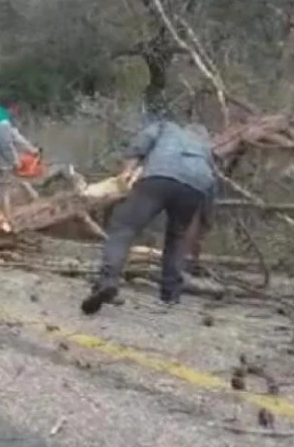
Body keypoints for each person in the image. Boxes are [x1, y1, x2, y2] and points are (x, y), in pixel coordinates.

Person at [80, 116, 218, 315]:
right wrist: (206, 221)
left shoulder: (166, 126)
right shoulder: (205, 149)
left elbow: (140, 145)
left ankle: (107, 281)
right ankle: (171, 295)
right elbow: (212, 187)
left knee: (124, 228)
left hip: (159, 177)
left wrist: (126, 174)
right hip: (196, 187)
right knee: (176, 238)